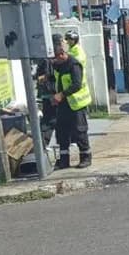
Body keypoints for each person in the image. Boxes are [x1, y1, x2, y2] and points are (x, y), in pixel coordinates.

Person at [51, 34, 92, 169]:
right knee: (61, 132)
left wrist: (61, 94)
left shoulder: (74, 64)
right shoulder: (58, 65)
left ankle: (86, 157)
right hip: (63, 105)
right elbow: (56, 78)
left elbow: (76, 84)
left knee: (79, 131)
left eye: (56, 58)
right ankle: (64, 160)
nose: (54, 61)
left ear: (62, 54)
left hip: (76, 104)